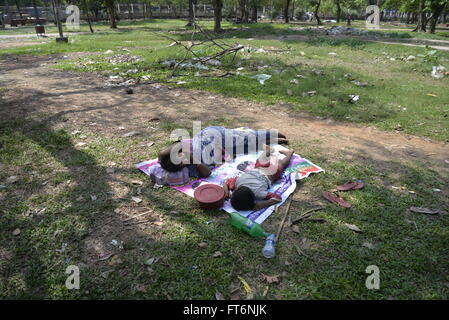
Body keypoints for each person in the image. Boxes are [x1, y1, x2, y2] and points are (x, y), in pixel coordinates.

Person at [158, 126, 288, 179]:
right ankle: (273, 140)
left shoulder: (184, 145)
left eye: (179, 156)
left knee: (246, 137)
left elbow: (162, 154)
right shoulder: (191, 167)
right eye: (181, 163)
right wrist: (194, 161)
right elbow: (207, 173)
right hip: (223, 149)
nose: (183, 159)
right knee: (248, 147)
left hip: (216, 135)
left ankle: (271, 133)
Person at [223, 145, 294, 211]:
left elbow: (277, 198)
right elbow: (226, 181)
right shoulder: (237, 182)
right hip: (259, 168)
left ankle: (289, 153)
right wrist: (226, 191)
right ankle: (270, 150)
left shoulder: (259, 193)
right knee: (261, 160)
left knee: (281, 164)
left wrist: (263, 204)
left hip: (271, 173)